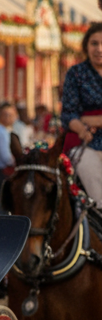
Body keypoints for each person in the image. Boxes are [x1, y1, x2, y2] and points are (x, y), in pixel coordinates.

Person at [61, 21, 102, 202]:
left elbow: (82, 115)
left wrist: (91, 119)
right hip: (87, 141)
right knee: (87, 166)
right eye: (94, 43)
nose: (99, 49)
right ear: (86, 46)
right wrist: (83, 129)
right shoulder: (76, 73)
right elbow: (69, 114)